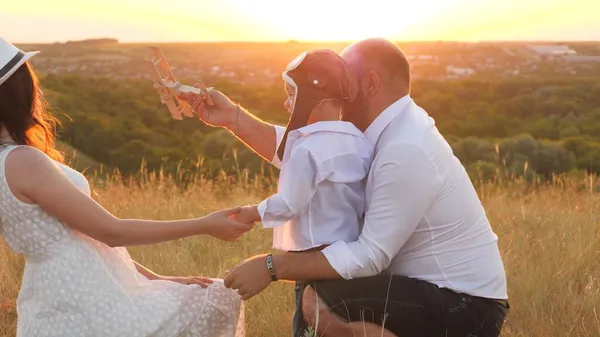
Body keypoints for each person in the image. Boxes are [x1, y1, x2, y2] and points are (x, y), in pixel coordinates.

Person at [181, 38, 509, 337]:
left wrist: (271, 267)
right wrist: (232, 117)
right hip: (425, 291)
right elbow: (311, 160)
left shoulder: (406, 147)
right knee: (318, 275)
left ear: (370, 83)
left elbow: (370, 256)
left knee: (320, 300)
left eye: (344, 76)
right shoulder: (381, 127)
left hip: (465, 306)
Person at [0, 37, 248, 337]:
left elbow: (86, 237)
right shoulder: (22, 160)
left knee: (209, 296)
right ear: (18, 91)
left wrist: (155, 277)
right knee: (219, 297)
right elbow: (111, 231)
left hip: (59, 294)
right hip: (84, 298)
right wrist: (204, 224)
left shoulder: (9, 161)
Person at [230, 49, 375, 333]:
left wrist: (250, 212)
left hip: (312, 264)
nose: (286, 103)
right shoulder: (361, 143)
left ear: (316, 94)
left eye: (292, 94)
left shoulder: (307, 148)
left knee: (307, 328)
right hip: (348, 263)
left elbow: (288, 204)